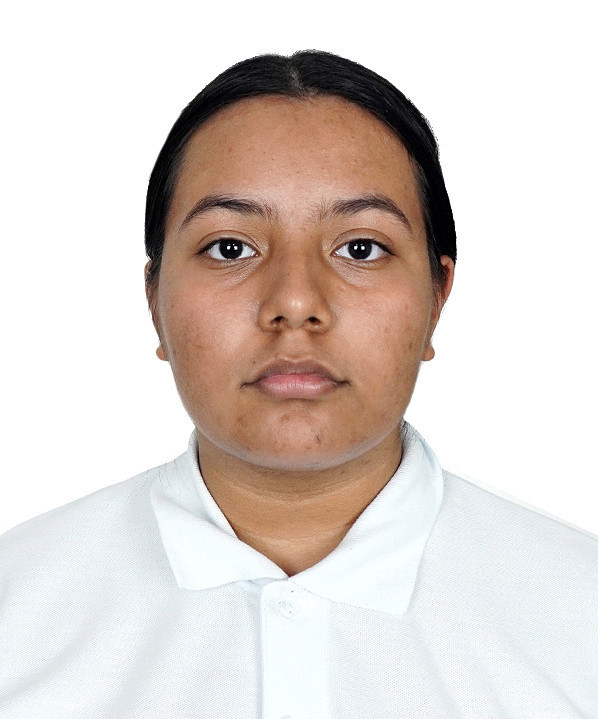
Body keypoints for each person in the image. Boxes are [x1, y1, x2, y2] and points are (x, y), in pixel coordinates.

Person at [0, 50, 596, 718]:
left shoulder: (581, 619)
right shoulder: (15, 614)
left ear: (437, 297)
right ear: (154, 301)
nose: (294, 302)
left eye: (360, 248)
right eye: (230, 247)